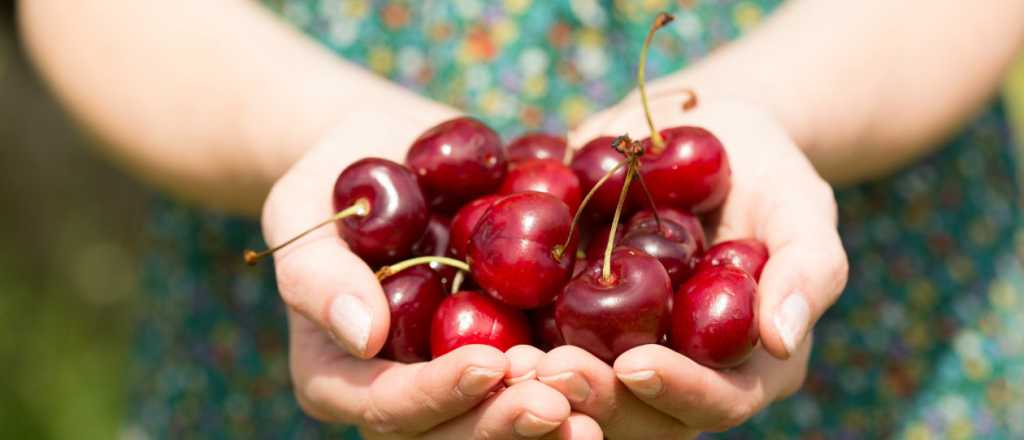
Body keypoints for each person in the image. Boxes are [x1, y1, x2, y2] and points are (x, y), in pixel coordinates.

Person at [20, 0, 1024, 438]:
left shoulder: (660, 219)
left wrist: (776, 106)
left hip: (876, 347)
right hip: (301, 320)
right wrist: (310, 130)